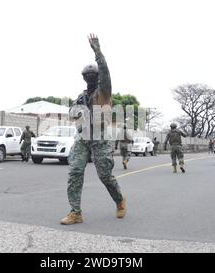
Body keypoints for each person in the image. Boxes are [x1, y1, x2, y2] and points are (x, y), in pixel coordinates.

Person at [60, 33, 126, 225]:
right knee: (75, 171)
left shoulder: (103, 91)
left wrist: (97, 50)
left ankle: (120, 201)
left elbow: (105, 71)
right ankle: (75, 212)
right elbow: (72, 112)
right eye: (87, 75)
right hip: (83, 137)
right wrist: (76, 111)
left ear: (97, 77)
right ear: (83, 77)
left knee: (105, 174)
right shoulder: (80, 96)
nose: (90, 77)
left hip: (100, 136)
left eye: (93, 75)